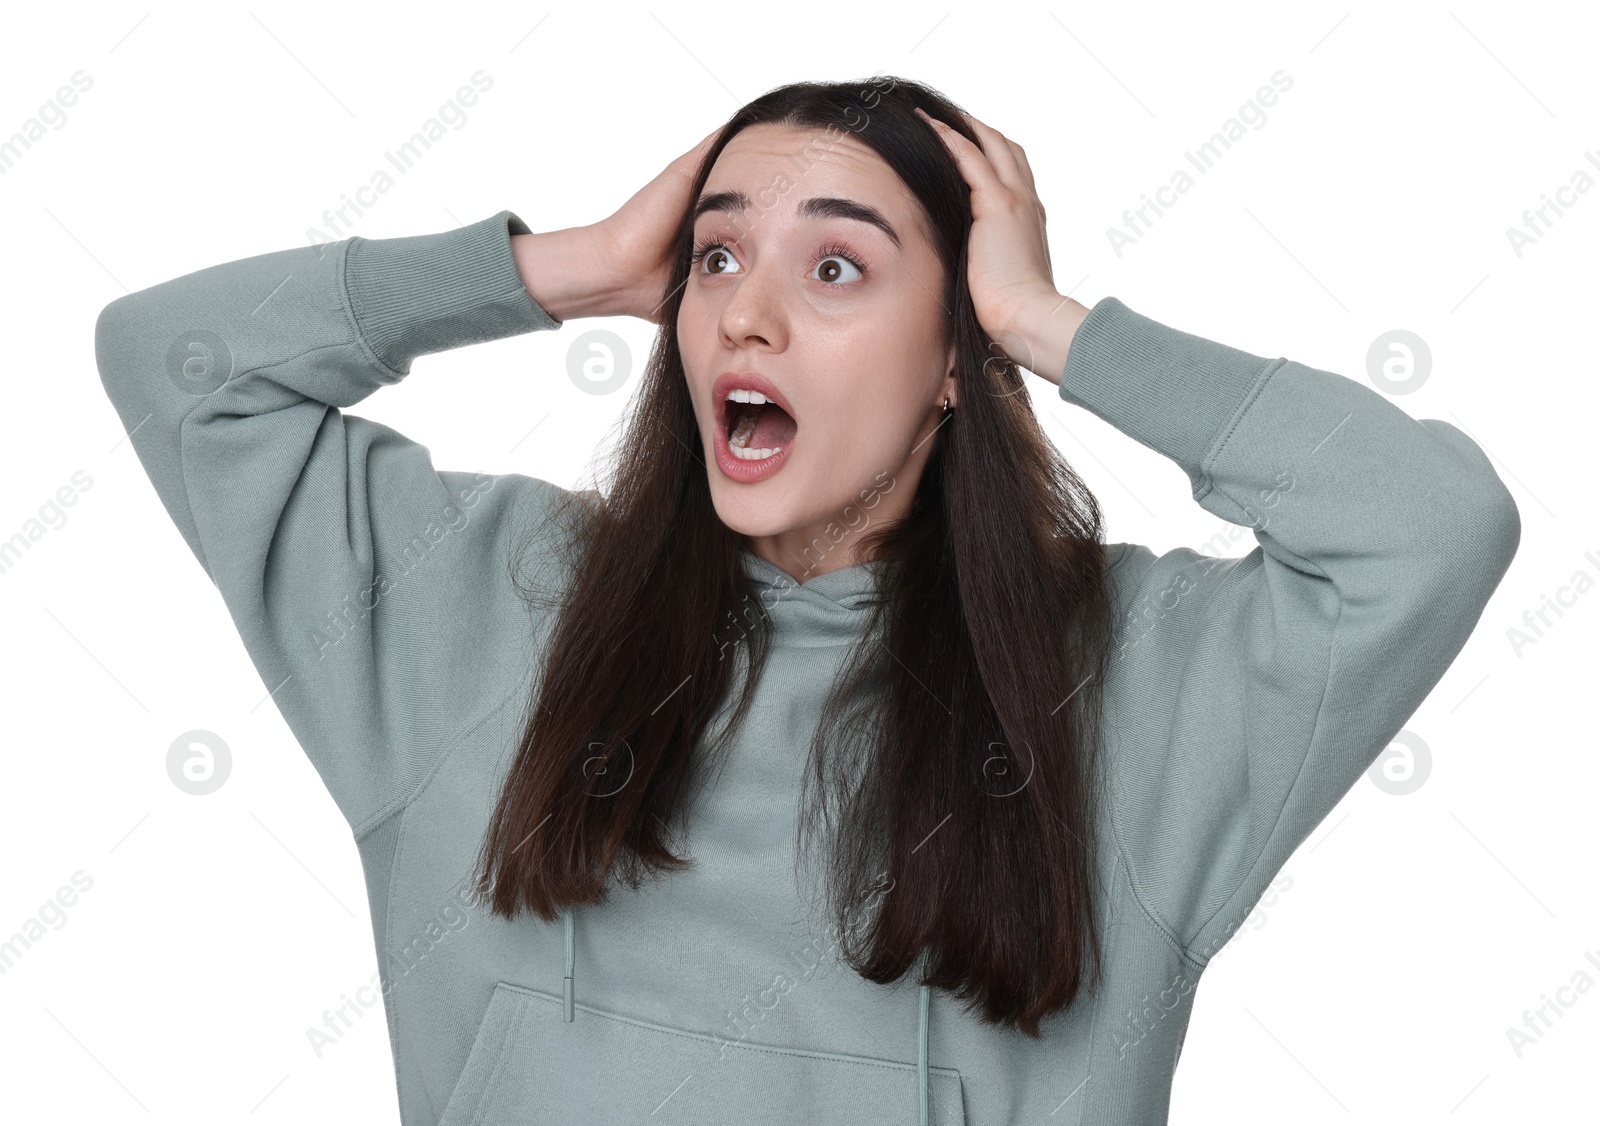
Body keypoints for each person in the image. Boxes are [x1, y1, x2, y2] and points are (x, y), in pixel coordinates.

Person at [94, 76, 1520, 1125]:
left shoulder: (1138, 683)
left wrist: (1048, 324)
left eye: (835, 267)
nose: (744, 315)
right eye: (717, 257)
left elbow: (1430, 527)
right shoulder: (482, 603)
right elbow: (172, 364)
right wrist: (565, 266)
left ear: (955, 355)